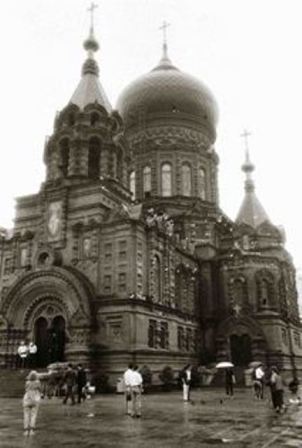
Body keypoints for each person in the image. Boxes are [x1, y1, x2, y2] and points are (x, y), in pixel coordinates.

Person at [23, 370, 42, 436]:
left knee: (26, 414)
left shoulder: (27, 382)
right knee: (33, 414)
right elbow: (40, 389)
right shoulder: (38, 382)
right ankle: (31, 430)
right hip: (35, 398)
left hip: (27, 398)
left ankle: (25, 430)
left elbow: (25, 389)